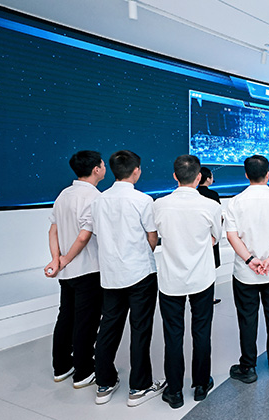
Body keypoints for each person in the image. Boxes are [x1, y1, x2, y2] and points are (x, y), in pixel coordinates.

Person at [90, 150, 166, 406]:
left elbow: (97, 233)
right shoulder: (143, 200)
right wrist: (145, 251)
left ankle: (104, 383)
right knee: (140, 329)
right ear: (136, 171)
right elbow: (152, 235)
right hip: (140, 273)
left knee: (108, 327)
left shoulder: (98, 201)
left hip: (111, 273)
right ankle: (140, 387)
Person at [154, 155, 222, 409]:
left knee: (173, 334)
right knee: (202, 331)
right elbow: (216, 237)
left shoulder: (159, 205)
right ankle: (201, 385)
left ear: (175, 176)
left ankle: (174, 391)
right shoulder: (211, 206)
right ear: (198, 177)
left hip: (170, 280)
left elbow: (156, 236)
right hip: (202, 278)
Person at [225, 155, 269, 383]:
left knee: (247, 318)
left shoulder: (235, 202)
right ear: (268, 174)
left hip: (246, 273)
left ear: (246, 174)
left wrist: (250, 260)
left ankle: (248, 366)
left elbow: (232, 236)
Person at [44, 150, 105, 390]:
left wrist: (56, 260)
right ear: (96, 169)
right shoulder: (94, 197)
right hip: (87, 269)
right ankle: (83, 372)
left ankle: (61, 367)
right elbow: (84, 235)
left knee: (66, 317)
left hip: (67, 273)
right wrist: (66, 259)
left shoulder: (64, 194)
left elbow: (53, 230)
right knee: (86, 322)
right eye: (102, 164)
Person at [197, 166, 223, 305]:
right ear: (207, 178)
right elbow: (217, 218)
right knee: (210, 266)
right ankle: (210, 296)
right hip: (211, 236)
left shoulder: (195, 194)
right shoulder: (213, 195)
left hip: (197, 236)